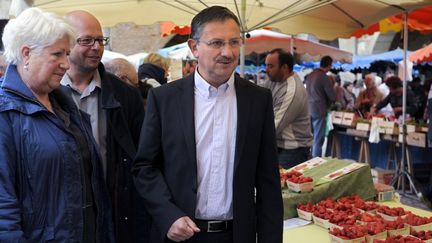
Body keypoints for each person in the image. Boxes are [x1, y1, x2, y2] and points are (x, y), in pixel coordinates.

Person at [132, 6, 283, 243]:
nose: (228, 52)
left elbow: (269, 182)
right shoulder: (164, 99)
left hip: (237, 235)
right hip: (180, 235)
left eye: (234, 42)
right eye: (216, 43)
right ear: (194, 47)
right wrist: (168, 215)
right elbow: (144, 168)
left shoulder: (258, 100)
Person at [0, 8, 114, 242]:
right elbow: (3, 205)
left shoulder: (63, 104)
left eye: (67, 53)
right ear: (26, 54)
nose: (66, 63)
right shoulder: (5, 113)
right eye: (57, 54)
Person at [61, 10, 147, 243]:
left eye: (100, 40)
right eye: (86, 40)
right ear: (65, 43)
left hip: (114, 216)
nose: (97, 47)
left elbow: (142, 157)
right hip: (64, 216)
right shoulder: (46, 93)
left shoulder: (126, 96)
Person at [263, 48, 312, 168]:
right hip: (279, 145)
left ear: (284, 68)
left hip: (294, 150)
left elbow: (273, 126)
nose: (266, 70)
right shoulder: (274, 80)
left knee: (278, 185)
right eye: (266, 66)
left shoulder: (291, 90)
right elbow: (258, 99)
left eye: (270, 66)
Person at [305, 55, 336, 158]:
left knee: (309, 138)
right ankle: (315, 162)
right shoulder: (324, 77)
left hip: (308, 109)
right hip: (319, 110)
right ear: (329, 65)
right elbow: (332, 96)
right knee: (318, 139)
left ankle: (307, 159)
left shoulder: (310, 75)